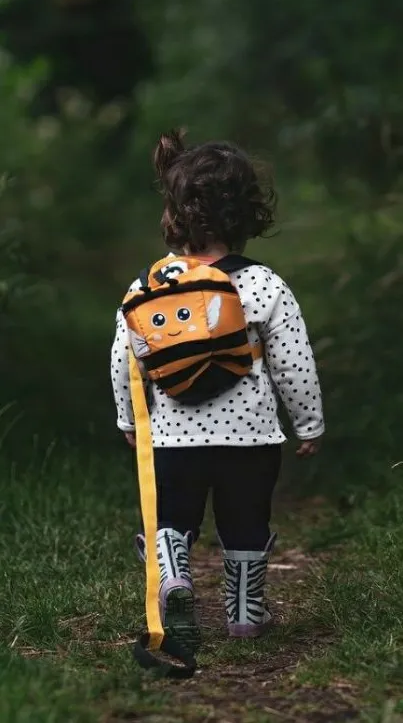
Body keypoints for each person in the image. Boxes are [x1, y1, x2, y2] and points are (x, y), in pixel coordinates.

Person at [111, 131, 324, 653]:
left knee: (171, 518)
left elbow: (125, 361)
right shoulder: (265, 285)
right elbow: (294, 363)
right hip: (249, 439)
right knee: (245, 521)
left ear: (175, 214)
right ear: (248, 215)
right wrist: (309, 422)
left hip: (170, 437)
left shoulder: (147, 287)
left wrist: (128, 420)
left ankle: (174, 579)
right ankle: (246, 612)